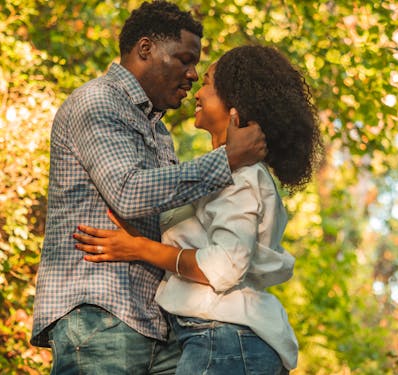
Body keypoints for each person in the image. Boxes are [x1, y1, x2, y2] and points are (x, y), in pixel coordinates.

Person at [31, 2, 266, 374]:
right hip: (100, 313)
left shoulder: (158, 130)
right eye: (185, 60)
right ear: (146, 49)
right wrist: (227, 160)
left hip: (157, 323)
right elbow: (128, 191)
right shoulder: (97, 102)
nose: (192, 74)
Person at [73, 45, 322, 374]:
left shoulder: (242, 176)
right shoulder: (219, 175)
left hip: (226, 339)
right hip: (220, 339)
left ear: (236, 104)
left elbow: (224, 265)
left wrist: (140, 249)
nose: (197, 91)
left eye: (207, 82)